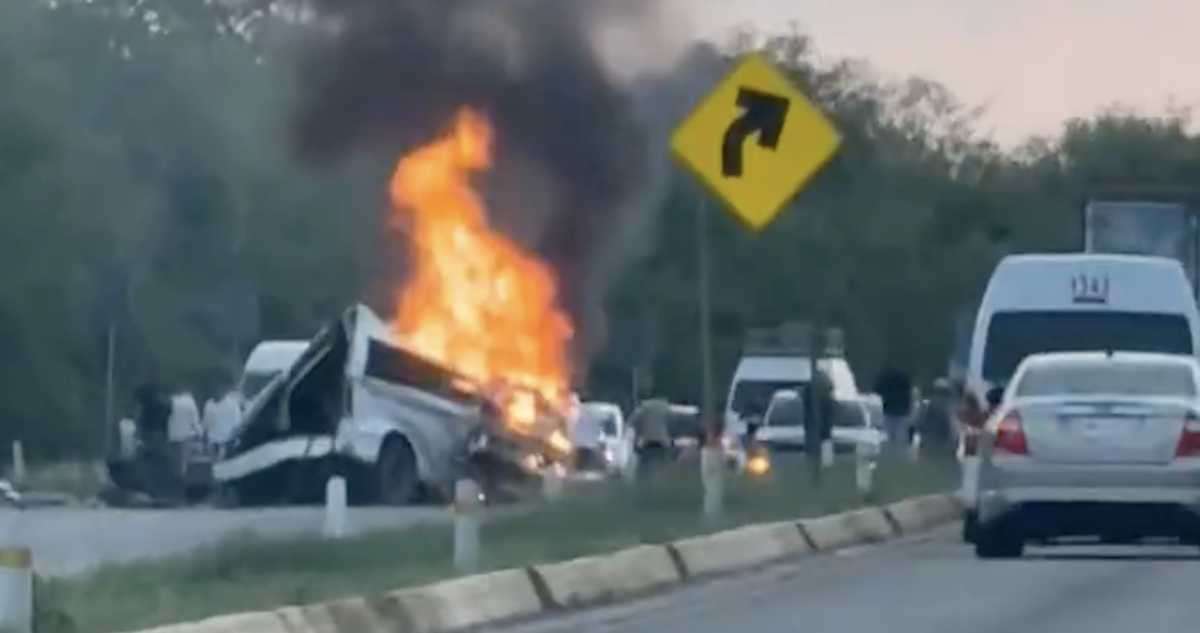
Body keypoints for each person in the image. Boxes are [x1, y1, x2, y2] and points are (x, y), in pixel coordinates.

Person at [874, 364, 914, 447]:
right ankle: (897, 452)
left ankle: (889, 452)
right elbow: (910, 394)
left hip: (888, 411)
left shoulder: (885, 377)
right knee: (900, 438)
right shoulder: (905, 378)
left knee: (888, 438)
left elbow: (877, 390)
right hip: (902, 412)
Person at [628, 398, 672, 472]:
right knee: (663, 465)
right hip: (662, 442)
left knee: (643, 467)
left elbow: (633, 422)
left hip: (648, 442)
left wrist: (636, 439)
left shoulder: (644, 407)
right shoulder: (666, 408)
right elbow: (671, 423)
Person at [202, 377, 243, 452]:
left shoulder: (232, 404)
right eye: (214, 391)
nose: (217, 393)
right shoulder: (209, 405)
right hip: (214, 441)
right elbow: (206, 423)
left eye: (218, 390)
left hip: (227, 441)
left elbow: (238, 422)